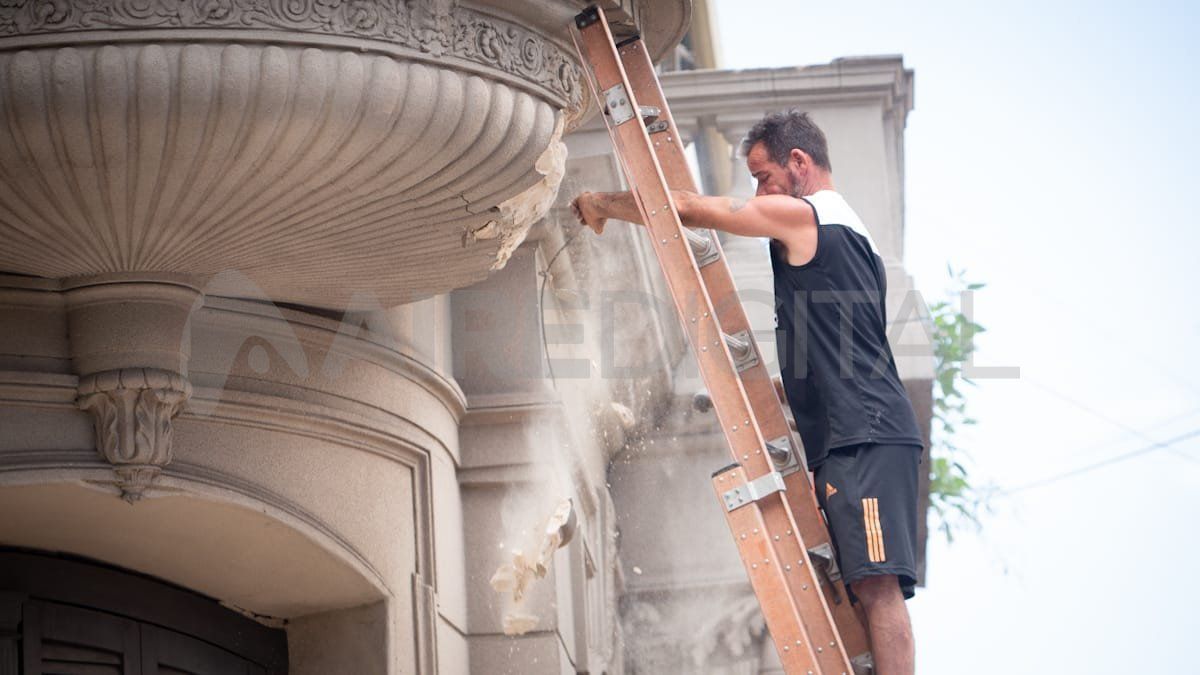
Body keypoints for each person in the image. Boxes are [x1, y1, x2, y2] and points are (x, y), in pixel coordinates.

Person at [570, 110, 922, 675]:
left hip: (867, 438)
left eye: (763, 176)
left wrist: (603, 204)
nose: (758, 191)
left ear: (799, 164)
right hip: (849, 439)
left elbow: (686, 209)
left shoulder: (810, 219)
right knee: (861, 589)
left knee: (879, 589)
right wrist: (776, 392)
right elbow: (839, 351)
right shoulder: (852, 243)